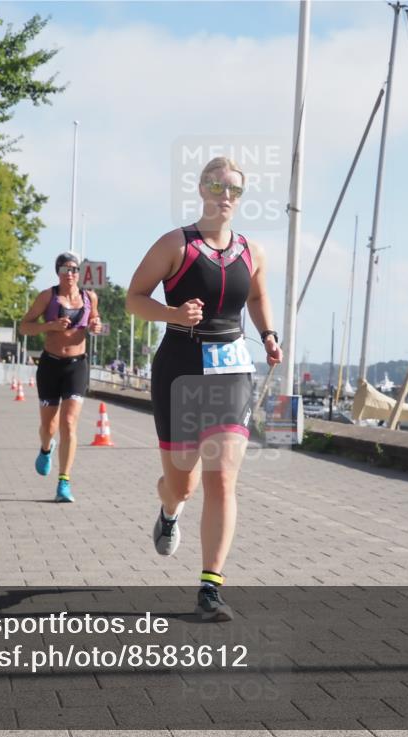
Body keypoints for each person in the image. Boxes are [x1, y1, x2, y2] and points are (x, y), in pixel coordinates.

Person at [126, 156, 283, 621]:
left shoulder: (253, 252)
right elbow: (135, 298)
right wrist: (172, 314)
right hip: (180, 366)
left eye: (234, 189)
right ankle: (168, 509)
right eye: (217, 186)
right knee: (183, 484)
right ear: (201, 189)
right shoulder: (176, 244)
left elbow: (257, 295)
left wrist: (269, 335)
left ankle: (210, 588)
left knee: (223, 478)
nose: (225, 195)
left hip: (232, 369)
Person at [19, 253, 103, 502]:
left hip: (77, 366)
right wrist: (49, 326)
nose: (71, 274)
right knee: (49, 427)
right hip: (50, 365)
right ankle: (46, 448)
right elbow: (25, 326)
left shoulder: (89, 297)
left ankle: (64, 482)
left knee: (68, 423)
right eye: (66, 269)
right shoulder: (48, 296)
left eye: (75, 269)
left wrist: (95, 326)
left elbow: (95, 318)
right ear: (58, 272)